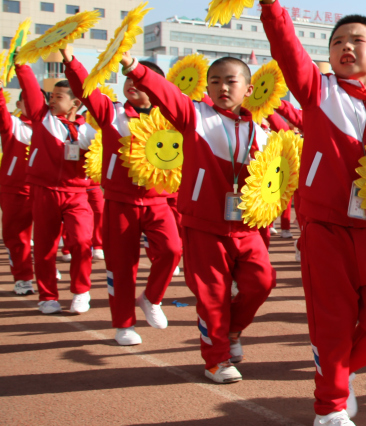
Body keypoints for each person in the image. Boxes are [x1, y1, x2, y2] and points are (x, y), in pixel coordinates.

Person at [259, 0, 366, 426]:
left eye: (357, 41)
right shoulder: (318, 91)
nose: (346, 47)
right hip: (325, 226)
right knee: (333, 320)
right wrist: (272, 9)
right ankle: (330, 408)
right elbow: (288, 51)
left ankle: (340, 370)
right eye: (337, 41)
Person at [125, 52, 275, 384]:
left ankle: (233, 330)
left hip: (246, 227)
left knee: (262, 282)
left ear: (248, 89)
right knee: (212, 294)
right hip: (204, 224)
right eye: (215, 81)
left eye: (231, 81)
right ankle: (216, 360)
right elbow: (167, 94)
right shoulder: (195, 115)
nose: (222, 87)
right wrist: (137, 69)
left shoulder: (261, 133)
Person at [65, 54, 183, 346]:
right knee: (121, 266)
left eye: (140, 80)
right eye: (129, 79)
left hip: (158, 201)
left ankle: (151, 298)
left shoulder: (171, 117)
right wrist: (70, 62)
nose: (132, 84)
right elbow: (85, 91)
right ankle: (123, 325)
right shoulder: (113, 113)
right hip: (120, 202)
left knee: (172, 250)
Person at [16, 65, 96, 315]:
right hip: (44, 191)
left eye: (58, 97)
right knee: (44, 247)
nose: (51, 101)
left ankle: (81, 291)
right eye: (50, 97)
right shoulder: (43, 118)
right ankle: (47, 296)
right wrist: (22, 65)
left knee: (82, 242)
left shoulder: (87, 131)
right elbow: (30, 90)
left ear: (75, 103)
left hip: (76, 194)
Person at [0, 94, 36, 295]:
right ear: (19, 104)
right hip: (15, 189)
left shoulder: (52, 125)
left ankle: (47, 269)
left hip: (45, 189)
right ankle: (23, 278)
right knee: (17, 237)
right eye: (28, 101)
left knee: (50, 236)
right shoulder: (13, 124)